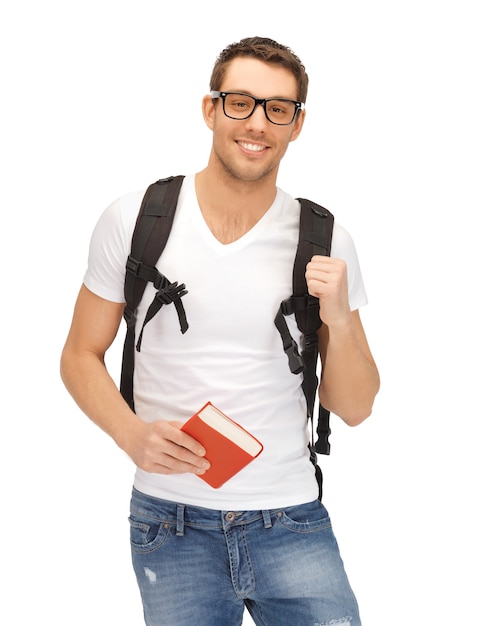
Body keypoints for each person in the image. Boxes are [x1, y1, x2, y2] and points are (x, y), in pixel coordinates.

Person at [61, 36, 380, 626]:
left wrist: (337, 315)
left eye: (277, 108)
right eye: (240, 102)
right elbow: (80, 354)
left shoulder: (324, 237)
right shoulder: (136, 219)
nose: (257, 122)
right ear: (210, 109)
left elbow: (355, 407)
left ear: (297, 124)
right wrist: (129, 435)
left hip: (291, 520)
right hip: (169, 524)